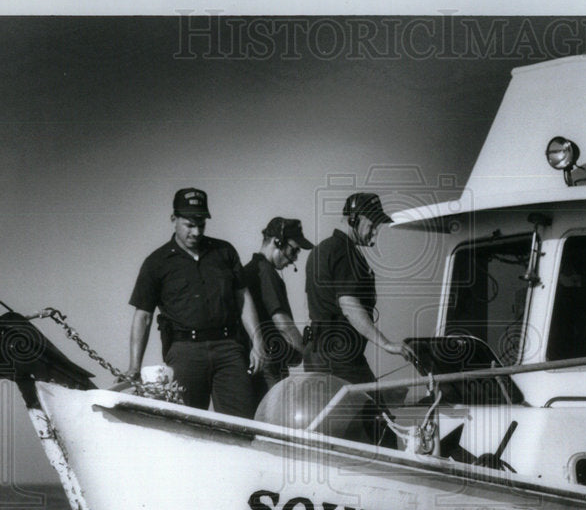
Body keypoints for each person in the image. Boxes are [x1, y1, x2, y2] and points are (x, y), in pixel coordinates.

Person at [125, 187, 264, 418]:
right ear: (174, 220)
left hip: (229, 348)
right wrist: (134, 367)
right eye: (189, 225)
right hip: (184, 352)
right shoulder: (156, 262)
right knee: (186, 424)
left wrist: (257, 343)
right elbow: (143, 316)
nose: (196, 232)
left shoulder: (225, 252)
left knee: (243, 422)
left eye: (201, 224)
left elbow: (243, 298)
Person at [304, 192, 409, 444]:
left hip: (319, 355)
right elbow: (349, 305)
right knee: (382, 430)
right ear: (354, 219)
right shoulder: (345, 252)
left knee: (332, 431)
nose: (375, 233)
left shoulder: (322, 250)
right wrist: (388, 345)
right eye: (372, 226)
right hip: (342, 359)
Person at [242, 217, 312, 402]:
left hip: (256, 362)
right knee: (277, 420)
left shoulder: (251, 269)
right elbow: (282, 324)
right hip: (269, 367)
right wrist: (308, 353)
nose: (295, 258)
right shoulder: (266, 272)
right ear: (277, 242)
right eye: (293, 250)